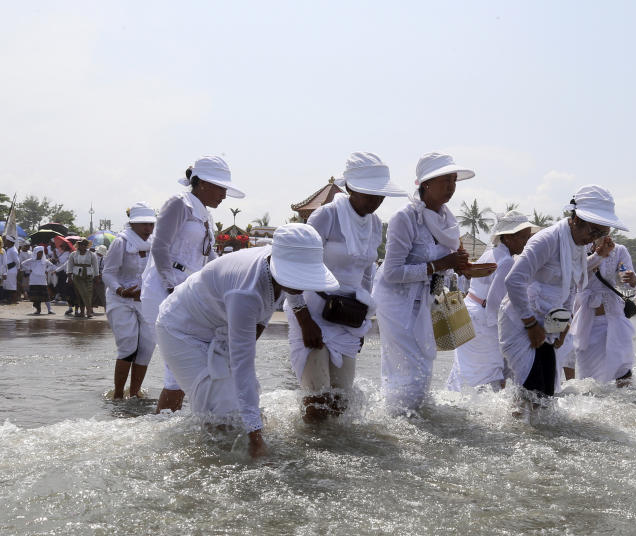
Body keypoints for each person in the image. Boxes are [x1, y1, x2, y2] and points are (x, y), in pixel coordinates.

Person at [155, 224, 337, 457]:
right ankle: (206, 461)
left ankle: (226, 440)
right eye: (297, 277)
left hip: (218, 323)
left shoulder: (277, 259)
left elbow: (285, 294)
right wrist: (256, 439)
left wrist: (252, 424)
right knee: (220, 407)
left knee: (236, 406)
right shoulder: (246, 293)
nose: (301, 285)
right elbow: (244, 367)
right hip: (181, 330)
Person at [285, 152, 406, 422]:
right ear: (350, 187)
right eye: (369, 193)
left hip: (347, 315)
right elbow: (294, 269)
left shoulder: (375, 224)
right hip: (312, 310)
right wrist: (304, 319)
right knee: (316, 400)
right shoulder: (324, 217)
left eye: (380, 194)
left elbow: (365, 275)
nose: (376, 201)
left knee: (342, 401)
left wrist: (360, 322)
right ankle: (310, 456)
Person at [500, 185, 628, 400]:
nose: (593, 238)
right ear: (577, 219)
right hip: (521, 323)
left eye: (601, 234)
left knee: (547, 395)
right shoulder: (547, 240)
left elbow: (570, 285)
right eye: (593, 231)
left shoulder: (577, 245)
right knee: (529, 392)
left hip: (548, 326)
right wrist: (530, 324)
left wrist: (563, 324)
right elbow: (514, 280)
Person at [142, 155, 244, 413]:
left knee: (192, 361)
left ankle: (176, 421)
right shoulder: (180, 203)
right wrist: (170, 286)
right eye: (221, 187)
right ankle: (164, 425)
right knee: (176, 367)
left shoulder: (206, 215)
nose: (223, 194)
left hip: (190, 291)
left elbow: (209, 257)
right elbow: (160, 246)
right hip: (166, 289)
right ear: (203, 184)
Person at [372, 152, 472, 413]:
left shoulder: (448, 220)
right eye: (444, 180)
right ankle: (398, 420)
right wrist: (440, 264)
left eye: (453, 180)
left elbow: (446, 265)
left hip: (427, 299)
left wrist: (460, 266)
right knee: (407, 369)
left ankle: (410, 416)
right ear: (425, 184)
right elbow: (392, 271)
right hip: (396, 302)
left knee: (424, 366)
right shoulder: (405, 218)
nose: (450, 187)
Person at [447, 211, 535, 391]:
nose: (526, 243)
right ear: (509, 238)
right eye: (523, 238)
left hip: (468, 312)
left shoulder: (491, 253)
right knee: (490, 373)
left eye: (528, 238)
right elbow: (496, 301)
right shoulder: (506, 262)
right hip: (483, 319)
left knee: (468, 368)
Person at [101, 203, 157, 400]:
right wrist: (121, 290)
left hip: (146, 300)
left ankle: (134, 393)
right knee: (128, 345)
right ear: (132, 224)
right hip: (120, 299)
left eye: (150, 224)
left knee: (147, 346)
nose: (148, 229)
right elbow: (108, 273)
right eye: (143, 224)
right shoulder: (121, 242)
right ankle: (117, 394)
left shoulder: (155, 243)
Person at [569, 235, 636, 385]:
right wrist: (598, 255)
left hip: (614, 315)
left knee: (622, 368)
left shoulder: (619, 250)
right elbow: (575, 274)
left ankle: (627, 403)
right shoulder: (578, 248)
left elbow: (630, 279)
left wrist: (630, 278)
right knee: (589, 376)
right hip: (587, 319)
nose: (602, 232)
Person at [66, 238, 99, 318]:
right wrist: (69, 276)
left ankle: (88, 311)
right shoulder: (73, 254)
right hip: (77, 276)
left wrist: (96, 276)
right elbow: (69, 265)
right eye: (81, 244)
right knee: (80, 294)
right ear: (78, 245)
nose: (83, 246)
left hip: (88, 275)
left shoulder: (92, 254)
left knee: (88, 293)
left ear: (87, 246)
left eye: (85, 244)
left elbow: (95, 266)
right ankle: (82, 311)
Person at [20, 247, 57, 315]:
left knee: (46, 295)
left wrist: (46, 270)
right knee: (36, 297)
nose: (40, 254)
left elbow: (52, 266)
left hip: (42, 280)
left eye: (41, 252)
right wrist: (29, 268)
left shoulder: (45, 261)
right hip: (33, 281)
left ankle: (49, 310)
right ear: (35, 253)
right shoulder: (32, 260)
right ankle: (38, 310)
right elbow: (22, 264)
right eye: (39, 252)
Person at [92, 244, 107, 310]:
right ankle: (90, 308)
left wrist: (101, 274)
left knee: (102, 294)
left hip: (100, 277)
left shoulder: (103, 258)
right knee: (92, 293)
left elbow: (104, 267)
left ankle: (106, 308)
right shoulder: (92, 256)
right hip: (92, 277)